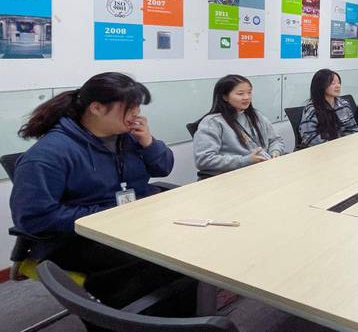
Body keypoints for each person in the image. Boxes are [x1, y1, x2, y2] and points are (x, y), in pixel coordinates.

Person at [10, 72, 192, 312]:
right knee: (163, 259)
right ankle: (139, 315)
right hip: (75, 238)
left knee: (186, 242)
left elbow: (163, 168)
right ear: (96, 108)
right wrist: (111, 213)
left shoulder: (127, 137)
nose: (137, 114)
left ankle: (185, 305)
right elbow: (34, 219)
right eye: (129, 108)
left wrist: (149, 142)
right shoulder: (49, 154)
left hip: (127, 222)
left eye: (138, 107)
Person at [194, 74, 285, 172]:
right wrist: (246, 160)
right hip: (235, 174)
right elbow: (204, 160)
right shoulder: (212, 122)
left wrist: (275, 151)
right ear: (225, 97)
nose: (247, 97)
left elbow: (276, 140)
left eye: (249, 92)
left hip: (264, 169)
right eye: (240, 94)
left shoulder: (256, 115)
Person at [298, 69, 358, 147]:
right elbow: (309, 138)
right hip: (321, 149)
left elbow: (352, 129)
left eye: (339, 83)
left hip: (343, 146)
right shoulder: (312, 109)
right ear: (321, 86)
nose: (338, 86)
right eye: (332, 83)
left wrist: (346, 144)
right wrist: (333, 146)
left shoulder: (343, 105)